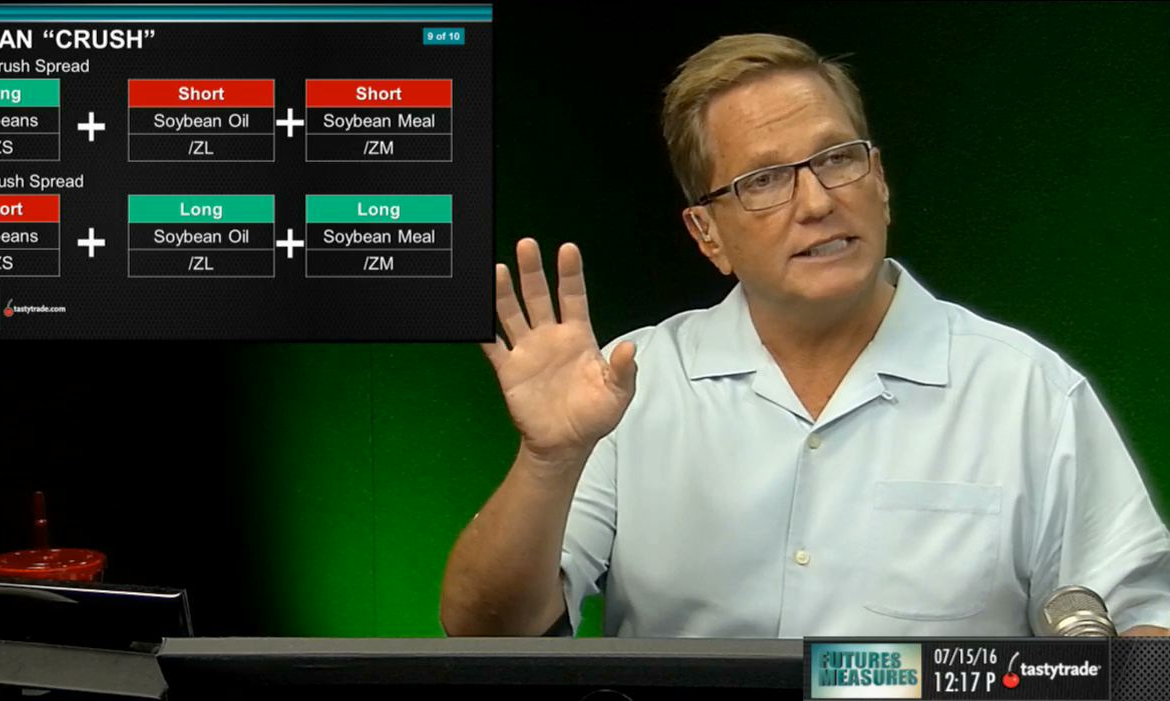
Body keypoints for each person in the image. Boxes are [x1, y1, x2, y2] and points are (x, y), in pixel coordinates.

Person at [439, 34, 1170, 638]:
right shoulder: (632, 384)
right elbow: (482, 630)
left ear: (880, 180)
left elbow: (1145, 634)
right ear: (707, 234)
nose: (818, 201)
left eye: (837, 158)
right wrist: (548, 460)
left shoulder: (1028, 392)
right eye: (763, 180)